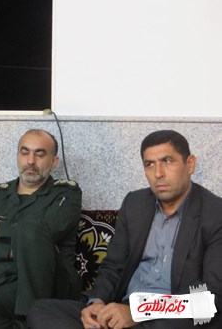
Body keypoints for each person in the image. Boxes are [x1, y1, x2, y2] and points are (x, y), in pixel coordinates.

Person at [27, 129, 222, 329]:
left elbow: (211, 299)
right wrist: (97, 303)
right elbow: (113, 266)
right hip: (122, 311)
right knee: (41, 310)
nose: (158, 173)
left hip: (171, 319)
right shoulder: (135, 203)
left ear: (190, 164)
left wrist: (139, 311)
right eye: (150, 164)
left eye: (167, 161)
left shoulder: (215, 213)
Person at [0, 129, 83, 329]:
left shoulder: (66, 194)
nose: (30, 161)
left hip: (52, 285)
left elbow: (49, 230)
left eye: (39, 154)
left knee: (32, 226)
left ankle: (33, 318)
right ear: (17, 156)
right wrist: (19, 251)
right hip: (4, 285)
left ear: (54, 162)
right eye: (25, 153)